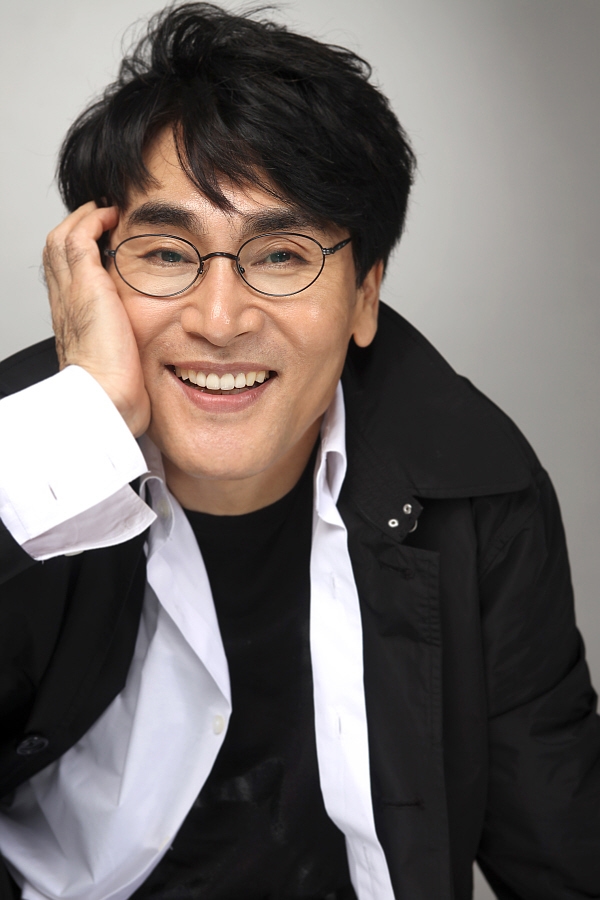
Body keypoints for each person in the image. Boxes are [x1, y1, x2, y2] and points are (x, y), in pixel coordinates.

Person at [0, 2, 598, 898]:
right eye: (166, 253)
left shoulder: (477, 487)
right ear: (86, 277)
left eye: (281, 256)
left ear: (365, 296)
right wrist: (80, 430)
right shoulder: (17, 462)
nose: (220, 320)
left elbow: (562, 846)